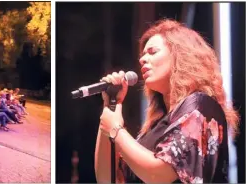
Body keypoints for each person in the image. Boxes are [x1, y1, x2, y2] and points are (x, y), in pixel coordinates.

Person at [95, 19, 239, 183]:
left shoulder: (200, 106)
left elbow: (161, 174)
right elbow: (106, 179)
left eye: (152, 51)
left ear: (181, 55)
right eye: (142, 55)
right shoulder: (155, 128)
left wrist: (115, 129)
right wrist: (111, 106)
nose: (142, 59)